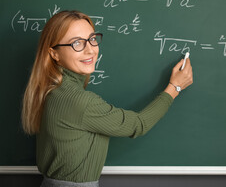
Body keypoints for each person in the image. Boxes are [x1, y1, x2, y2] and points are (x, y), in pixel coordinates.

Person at [21, 10, 193, 186]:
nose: (90, 49)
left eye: (92, 39)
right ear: (54, 54)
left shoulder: (52, 91)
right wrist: (174, 87)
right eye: (77, 43)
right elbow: (138, 124)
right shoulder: (80, 101)